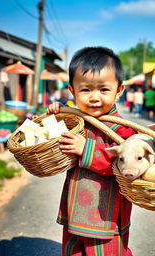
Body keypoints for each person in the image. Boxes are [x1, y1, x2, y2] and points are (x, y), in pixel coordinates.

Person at [47, 46, 136, 256]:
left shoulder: (121, 129)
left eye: (104, 90)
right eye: (85, 90)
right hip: (75, 204)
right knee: (73, 249)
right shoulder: (77, 120)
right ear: (72, 91)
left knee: (106, 251)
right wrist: (54, 115)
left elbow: (127, 162)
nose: (94, 97)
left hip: (105, 213)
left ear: (119, 90)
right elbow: (51, 137)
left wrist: (87, 149)